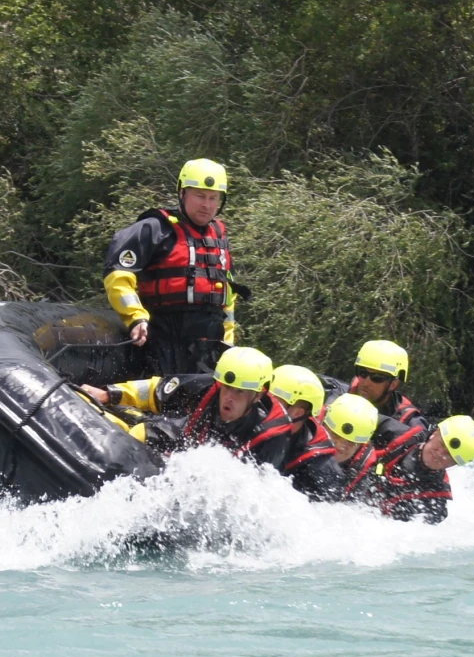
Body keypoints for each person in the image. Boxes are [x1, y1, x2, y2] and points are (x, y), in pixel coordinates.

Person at [102, 158, 241, 376]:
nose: (207, 205)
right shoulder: (155, 228)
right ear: (182, 193)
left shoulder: (219, 235)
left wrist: (228, 339)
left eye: (214, 198)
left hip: (210, 340)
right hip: (164, 333)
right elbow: (117, 275)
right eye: (200, 196)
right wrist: (135, 316)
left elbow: (228, 295)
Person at [89, 346, 294, 470]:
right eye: (227, 388)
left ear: (258, 395)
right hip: (189, 442)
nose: (228, 398)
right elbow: (155, 390)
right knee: (142, 431)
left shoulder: (273, 437)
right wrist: (109, 394)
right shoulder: (207, 387)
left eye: (239, 392)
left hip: (214, 475)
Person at [375, 414, 474, 524]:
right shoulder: (396, 434)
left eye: (450, 455)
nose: (441, 454)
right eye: (442, 444)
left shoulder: (435, 502)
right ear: (435, 433)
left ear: (453, 464)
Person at [268, 364, 344, 499]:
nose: (264, 406)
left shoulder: (320, 469)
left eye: (274, 402)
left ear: (297, 413)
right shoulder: (248, 417)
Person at [347, 340, 429, 431]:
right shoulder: (339, 393)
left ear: (393, 384)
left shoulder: (409, 423)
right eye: (362, 372)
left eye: (377, 377)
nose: (366, 383)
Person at [320, 393, 384, 505]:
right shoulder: (304, 436)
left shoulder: (361, 470)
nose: (340, 445)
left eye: (350, 442)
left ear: (360, 445)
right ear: (323, 425)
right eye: (335, 435)